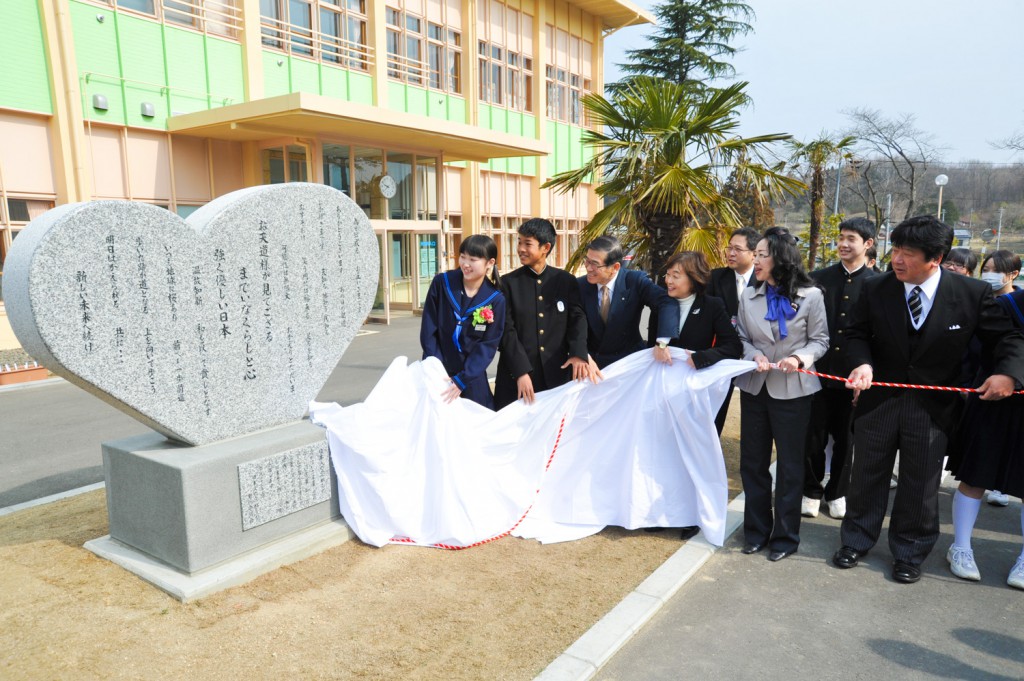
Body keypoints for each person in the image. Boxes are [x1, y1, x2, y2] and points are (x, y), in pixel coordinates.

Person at [833, 216, 1024, 585]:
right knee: (867, 474)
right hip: (879, 398)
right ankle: (856, 540)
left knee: (920, 482)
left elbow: (1008, 340)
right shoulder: (876, 289)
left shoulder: (970, 294)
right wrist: (861, 363)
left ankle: (910, 551)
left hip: (933, 406)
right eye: (896, 250)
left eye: (908, 253)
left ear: (936, 258)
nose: (897, 260)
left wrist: (1008, 374)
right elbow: (854, 333)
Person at [734, 227, 829, 562]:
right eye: (755, 254)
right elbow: (742, 337)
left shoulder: (812, 295)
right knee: (753, 464)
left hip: (795, 389)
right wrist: (752, 356)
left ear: (781, 258)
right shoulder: (749, 294)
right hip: (755, 386)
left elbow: (820, 340)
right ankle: (756, 532)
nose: (755, 261)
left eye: (762, 254)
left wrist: (798, 358)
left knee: (790, 466)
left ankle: (785, 538)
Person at [945, 250, 1024, 588]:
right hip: (992, 397)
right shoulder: (1003, 305)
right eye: (987, 269)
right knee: (975, 475)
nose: (991, 275)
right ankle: (960, 546)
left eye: (997, 270)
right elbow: (976, 348)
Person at [802, 217, 879, 520]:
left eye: (852, 239)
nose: (844, 244)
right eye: (841, 238)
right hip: (817, 372)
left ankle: (838, 491)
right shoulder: (817, 278)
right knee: (813, 437)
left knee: (847, 439)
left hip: (854, 377)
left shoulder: (880, 283)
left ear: (868, 244)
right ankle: (810, 490)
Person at [494, 218, 590, 409]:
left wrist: (579, 354)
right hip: (517, 377)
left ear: (546, 247)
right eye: (519, 242)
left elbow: (577, 319)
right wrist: (520, 372)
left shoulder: (565, 281)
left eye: (527, 244)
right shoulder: (508, 283)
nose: (520, 248)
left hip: (556, 375)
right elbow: (506, 331)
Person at [420, 235, 506, 409]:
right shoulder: (442, 284)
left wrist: (462, 379)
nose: (465, 264)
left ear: (489, 263)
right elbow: (429, 328)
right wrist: (436, 369)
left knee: (478, 422)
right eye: (463, 257)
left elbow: (487, 345)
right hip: (438, 370)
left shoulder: (496, 299)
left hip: (470, 376)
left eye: (473, 259)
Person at [577, 234, 678, 370]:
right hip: (594, 367)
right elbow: (573, 327)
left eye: (595, 264)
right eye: (587, 261)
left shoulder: (634, 281)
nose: (588, 268)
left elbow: (666, 302)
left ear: (615, 267)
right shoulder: (580, 285)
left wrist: (662, 343)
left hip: (630, 364)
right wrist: (583, 356)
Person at [706, 227, 761, 433]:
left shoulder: (765, 280)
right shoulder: (716, 278)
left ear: (754, 253)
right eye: (729, 248)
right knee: (715, 410)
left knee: (753, 411)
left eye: (737, 249)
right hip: (723, 353)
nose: (730, 253)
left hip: (756, 354)